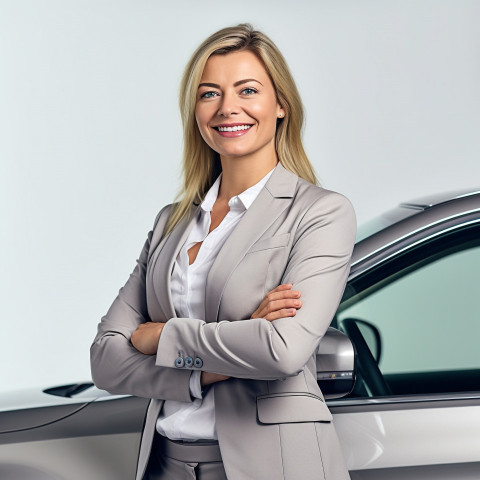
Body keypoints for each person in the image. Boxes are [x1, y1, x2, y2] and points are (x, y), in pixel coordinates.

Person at [90, 23, 356, 480]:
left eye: (247, 90)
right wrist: (208, 368)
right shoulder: (171, 221)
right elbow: (106, 359)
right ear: (194, 111)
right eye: (209, 93)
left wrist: (161, 337)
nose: (227, 107)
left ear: (281, 106)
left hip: (273, 464)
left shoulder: (320, 213)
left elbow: (281, 351)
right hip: (165, 462)